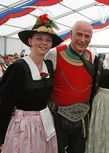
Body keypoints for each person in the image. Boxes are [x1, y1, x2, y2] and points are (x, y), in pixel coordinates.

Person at [0, 13, 63, 153]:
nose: (44, 43)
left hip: (45, 122)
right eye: (39, 38)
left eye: (48, 40)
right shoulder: (18, 67)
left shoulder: (49, 65)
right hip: (24, 126)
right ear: (30, 41)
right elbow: (5, 103)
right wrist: (1, 137)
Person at [45, 21, 96, 153]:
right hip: (57, 118)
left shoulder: (92, 57)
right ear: (70, 34)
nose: (83, 40)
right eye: (79, 35)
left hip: (82, 120)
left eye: (87, 36)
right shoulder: (54, 54)